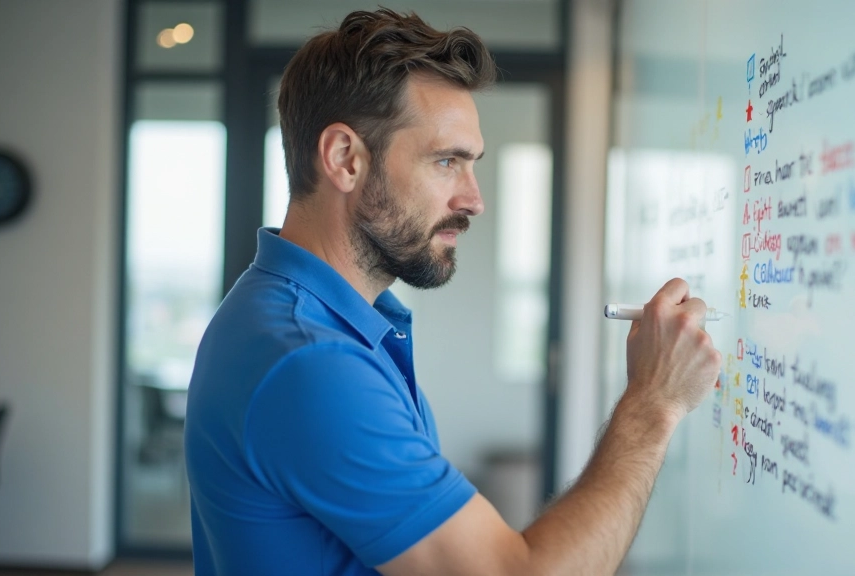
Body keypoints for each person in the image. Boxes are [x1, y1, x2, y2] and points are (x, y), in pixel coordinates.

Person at [184, 8, 722, 576]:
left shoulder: (303, 318)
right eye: (446, 162)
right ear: (345, 158)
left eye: (472, 165)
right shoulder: (311, 362)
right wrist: (653, 403)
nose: (474, 200)